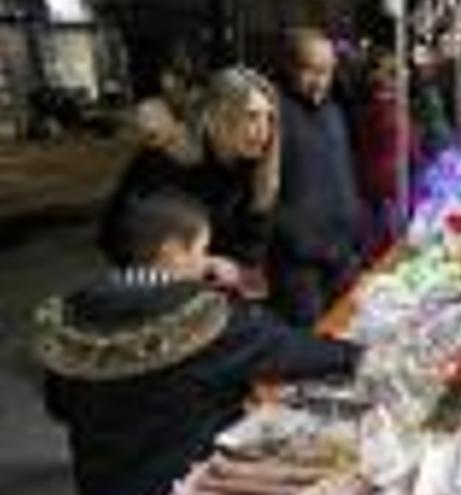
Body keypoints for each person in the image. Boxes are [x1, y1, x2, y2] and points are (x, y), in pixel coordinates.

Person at [35, 193, 362, 495]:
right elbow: (288, 351)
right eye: (201, 250)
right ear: (172, 251)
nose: (206, 262)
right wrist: (355, 353)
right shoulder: (199, 318)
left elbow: (59, 405)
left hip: (100, 483)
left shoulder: (72, 315)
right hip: (180, 481)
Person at [101, 67, 279, 294]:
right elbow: (118, 240)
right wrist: (201, 265)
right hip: (164, 298)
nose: (265, 131)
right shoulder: (166, 160)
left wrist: (243, 274)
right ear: (217, 115)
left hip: (225, 297)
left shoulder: (256, 168)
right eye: (251, 116)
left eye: (269, 118)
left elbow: (253, 245)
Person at [271, 28, 366, 326]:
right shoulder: (273, 114)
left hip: (342, 254)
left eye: (326, 72)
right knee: (311, 347)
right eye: (310, 70)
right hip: (299, 266)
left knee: (352, 328)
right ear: (289, 66)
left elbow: (344, 171)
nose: (319, 81)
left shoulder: (333, 111)